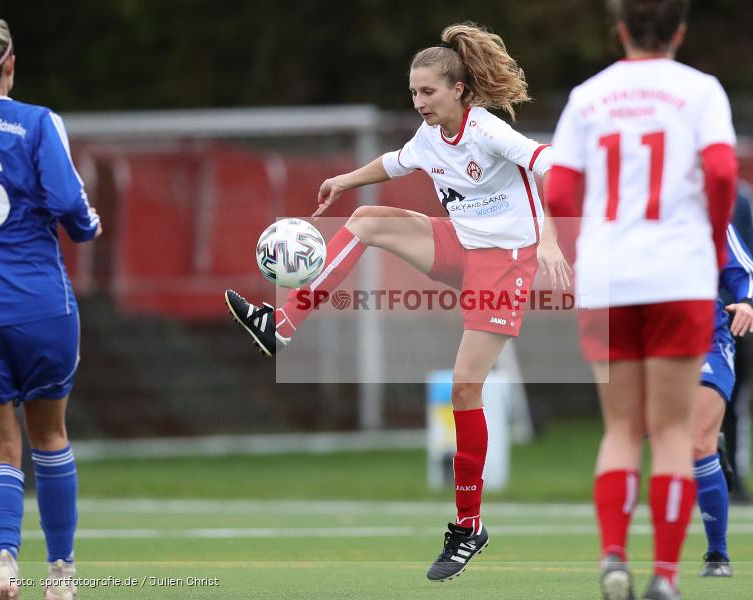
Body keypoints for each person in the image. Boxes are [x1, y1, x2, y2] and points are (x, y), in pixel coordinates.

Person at [224, 22, 570, 582]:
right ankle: (282, 324)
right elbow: (395, 161)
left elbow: (553, 168)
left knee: (464, 387)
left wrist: (551, 238)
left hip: (506, 261)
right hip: (461, 246)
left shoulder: (487, 131)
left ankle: (468, 526)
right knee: (364, 221)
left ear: (459, 90)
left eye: (428, 92)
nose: (418, 102)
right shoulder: (429, 137)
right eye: (413, 93)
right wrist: (344, 179)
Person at [545, 0, 738, 598]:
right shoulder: (701, 91)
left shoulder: (587, 96)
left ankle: (612, 558)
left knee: (622, 430)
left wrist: (592, 244)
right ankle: (667, 578)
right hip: (678, 275)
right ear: (680, 29)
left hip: (608, 279)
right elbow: (724, 172)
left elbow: (559, 191)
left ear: (621, 28)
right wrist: (709, 240)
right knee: (673, 433)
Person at [0, 19, 101, 600]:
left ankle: (2, 564)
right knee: (50, 435)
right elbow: (68, 203)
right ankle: (60, 575)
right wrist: (87, 226)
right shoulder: (36, 121)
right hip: (39, 304)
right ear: (11, 63)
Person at [694, 224, 753, 578]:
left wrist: (750, 303)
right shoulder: (623, 215)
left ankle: (717, 555)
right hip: (651, 343)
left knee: (696, 443)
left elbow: (746, 272)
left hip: (707, 341)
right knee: (662, 440)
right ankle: (712, 457)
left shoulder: (708, 218)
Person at [722, 179, 753, 502]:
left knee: (735, 402)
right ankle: (686, 478)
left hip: (730, 318)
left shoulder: (742, 198)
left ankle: (736, 477)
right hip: (682, 318)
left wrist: (750, 305)